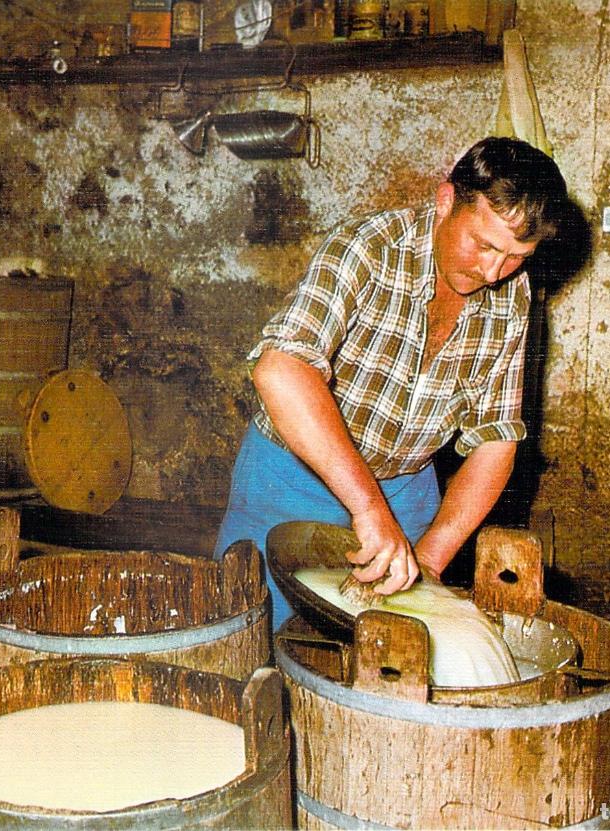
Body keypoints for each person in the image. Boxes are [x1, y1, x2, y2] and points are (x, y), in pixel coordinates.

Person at [214, 136, 570, 629]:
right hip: (291, 474)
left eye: (516, 256)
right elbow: (280, 370)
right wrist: (366, 506)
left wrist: (431, 557)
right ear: (446, 201)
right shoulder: (369, 249)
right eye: (484, 245)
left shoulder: (513, 297)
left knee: (396, 644)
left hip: (406, 487)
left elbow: (496, 441)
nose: (493, 271)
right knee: (248, 630)